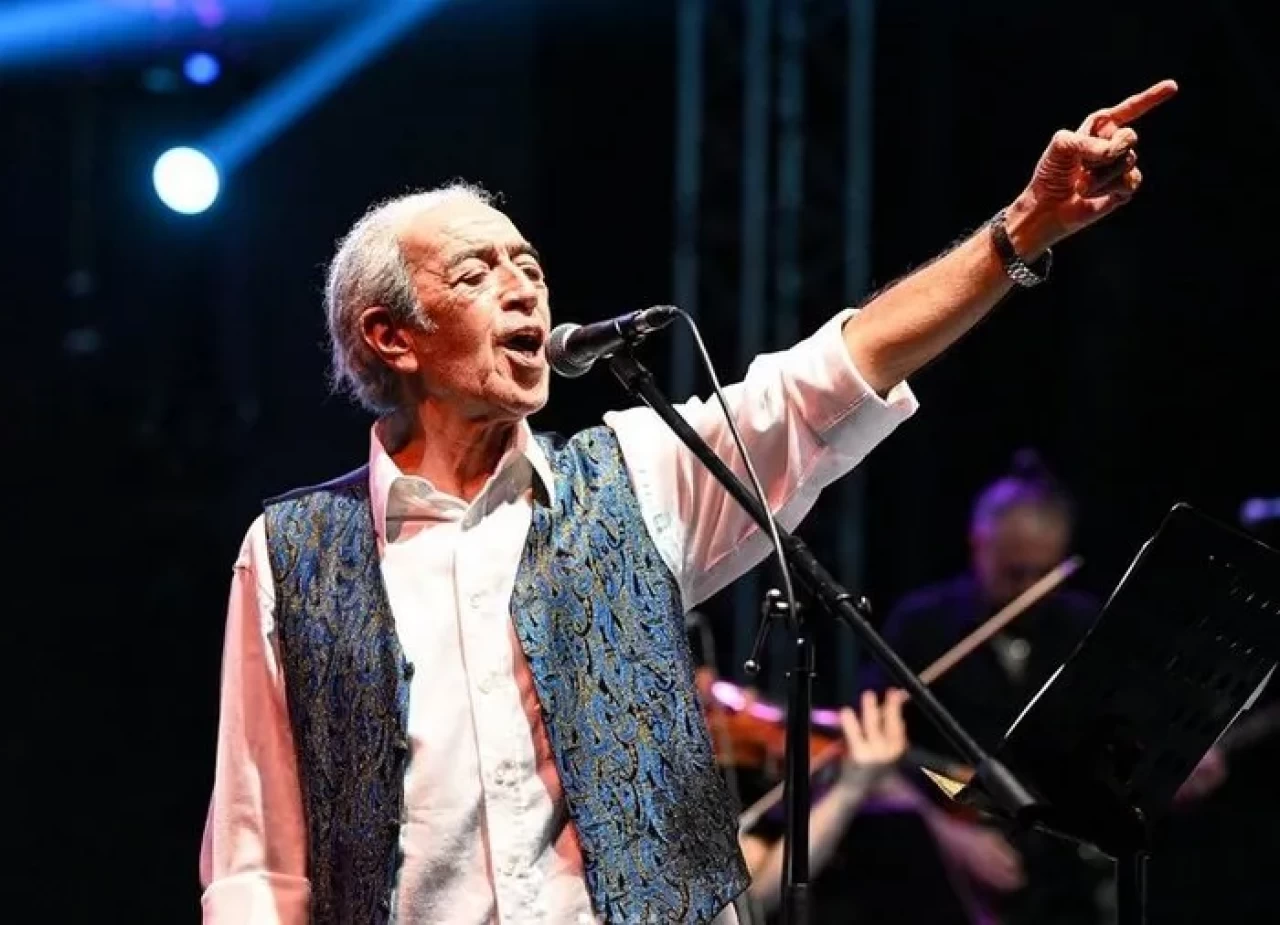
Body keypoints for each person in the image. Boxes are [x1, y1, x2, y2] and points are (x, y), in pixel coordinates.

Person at [199, 78, 1178, 924]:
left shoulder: (635, 474)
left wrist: (1023, 226)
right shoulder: (295, 551)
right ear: (391, 335)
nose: (524, 287)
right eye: (476, 271)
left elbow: (829, 378)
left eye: (529, 265)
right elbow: (256, 856)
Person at [863, 450, 1107, 924]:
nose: (1029, 588)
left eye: (1044, 574)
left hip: (1065, 887)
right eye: (1014, 572)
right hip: (942, 886)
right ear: (979, 545)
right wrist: (947, 833)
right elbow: (870, 758)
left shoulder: (1083, 625)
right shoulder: (923, 626)